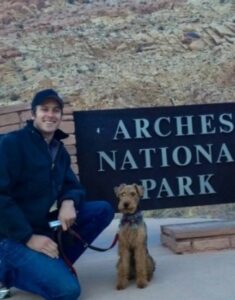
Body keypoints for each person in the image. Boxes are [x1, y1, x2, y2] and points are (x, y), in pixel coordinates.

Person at [0, 89, 114, 300]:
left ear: (61, 116)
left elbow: (73, 185)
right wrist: (29, 238)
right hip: (9, 236)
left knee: (102, 210)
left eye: (56, 110)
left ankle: (49, 264)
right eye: (44, 109)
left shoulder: (57, 151)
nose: (50, 115)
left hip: (41, 226)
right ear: (33, 113)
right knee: (67, 291)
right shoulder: (11, 144)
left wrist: (68, 202)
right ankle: (6, 272)